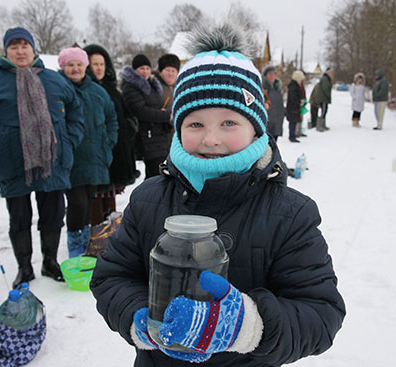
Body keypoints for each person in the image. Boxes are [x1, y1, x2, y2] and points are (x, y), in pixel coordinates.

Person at [90, 23, 345, 366]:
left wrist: (248, 326)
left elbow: (321, 312)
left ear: (255, 128)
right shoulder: (148, 199)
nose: (211, 139)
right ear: (178, 129)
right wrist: (138, 315)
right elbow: (111, 277)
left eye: (229, 123)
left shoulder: (290, 214)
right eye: (195, 124)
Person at [0, 27, 85, 288]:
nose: (20, 51)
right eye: (14, 46)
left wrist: (70, 139)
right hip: (12, 162)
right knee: (19, 217)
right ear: (6, 51)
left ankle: (50, 261)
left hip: (53, 161)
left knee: (53, 214)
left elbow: (75, 109)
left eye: (24, 46)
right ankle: (24, 267)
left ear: (34, 49)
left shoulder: (55, 79)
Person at [57, 47, 118, 257]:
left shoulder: (97, 91)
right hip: (71, 157)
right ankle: (76, 245)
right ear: (63, 67)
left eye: (79, 65)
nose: (75, 69)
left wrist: (109, 142)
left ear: (85, 67)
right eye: (70, 65)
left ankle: (87, 244)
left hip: (95, 155)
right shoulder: (59, 88)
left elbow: (112, 117)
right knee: (77, 203)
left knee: (90, 200)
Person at [84, 44, 139, 226]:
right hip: (95, 153)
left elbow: (124, 112)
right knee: (95, 198)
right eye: (94, 64)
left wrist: (130, 128)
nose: (99, 68)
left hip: (116, 153)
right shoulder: (85, 89)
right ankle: (97, 238)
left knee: (110, 195)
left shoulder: (112, 88)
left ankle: (112, 234)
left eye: (102, 64)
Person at [121, 54, 172, 179]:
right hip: (147, 138)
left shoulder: (152, 85)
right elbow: (141, 112)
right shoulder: (131, 87)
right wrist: (166, 115)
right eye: (141, 68)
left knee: (158, 176)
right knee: (156, 177)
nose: (145, 71)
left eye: (147, 68)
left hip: (159, 137)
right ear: (135, 70)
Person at [153, 53, 180, 140]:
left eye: (173, 71)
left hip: (176, 134)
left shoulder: (179, 87)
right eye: (167, 70)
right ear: (161, 71)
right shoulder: (155, 86)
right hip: (160, 135)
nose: (170, 74)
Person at [261, 65, 284, 141]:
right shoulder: (262, 88)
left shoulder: (277, 88)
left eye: (274, 74)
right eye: (270, 74)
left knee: (274, 145)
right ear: (265, 76)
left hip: (277, 121)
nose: (273, 76)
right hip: (266, 123)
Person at [286, 70, 306, 143]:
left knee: (294, 121)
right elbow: (293, 97)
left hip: (294, 107)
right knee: (292, 122)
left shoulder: (295, 85)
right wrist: (299, 102)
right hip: (293, 108)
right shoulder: (293, 86)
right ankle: (292, 136)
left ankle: (293, 135)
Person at [314, 67, 334, 131]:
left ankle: (323, 125)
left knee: (325, 111)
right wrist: (328, 96)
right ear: (328, 73)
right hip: (323, 98)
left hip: (324, 98)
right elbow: (326, 89)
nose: (332, 74)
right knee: (323, 112)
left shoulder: (327, 78)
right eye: (331, 72)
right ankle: (319, 126)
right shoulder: (325, 79)